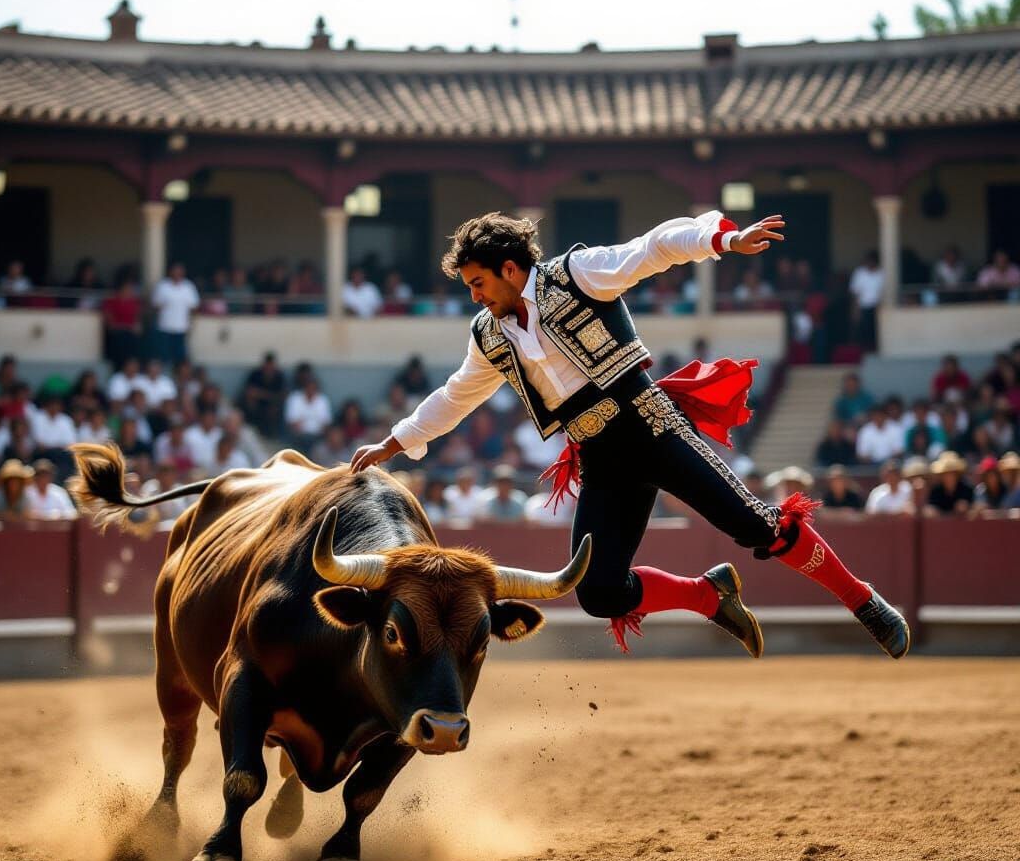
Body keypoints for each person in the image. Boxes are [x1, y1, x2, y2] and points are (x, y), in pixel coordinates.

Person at [350, 210, 909, 659]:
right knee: (596, 591)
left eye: (478, 283)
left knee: (758, 525)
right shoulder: (488, 335)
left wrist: (724, 238)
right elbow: (457, 394)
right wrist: (395, 443)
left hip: (652, 428)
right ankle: (708, 596)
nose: (474, 296)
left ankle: (864, 602)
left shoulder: (579, 274)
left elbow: (656, 246)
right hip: (600, 458)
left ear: (511, 269)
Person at [151, 262, 199, 364]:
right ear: (170, 272)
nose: (177, 274)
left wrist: (191, 324)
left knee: (180, 359)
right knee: (164, 357)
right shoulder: (163, 286)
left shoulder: (188, 287)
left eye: (179, 271)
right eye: (175, 271)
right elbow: (154, 306)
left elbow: (194, 307)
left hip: (181, 328)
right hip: (164, 328)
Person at [240, 352, 287, 438]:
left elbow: (282, 395)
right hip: (257, 404)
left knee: (274, 410)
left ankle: (271, 435)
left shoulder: (279, 376)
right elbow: (250, 392)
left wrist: (262, 394)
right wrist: (268, 395)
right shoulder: (255, 374)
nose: (269, 367)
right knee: (249, 404)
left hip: (272, 405)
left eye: (271, 365)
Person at [284, 378, 333, 453]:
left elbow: (326, 424)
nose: (311, 390)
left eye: (313, 388)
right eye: (309, 388)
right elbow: (292, 423)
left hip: (317, 437)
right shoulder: (295, 398)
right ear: (304, 388)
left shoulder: (322, 400)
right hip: (299, 436)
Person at [848, 250, 883, 350]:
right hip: (862, 307)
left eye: (871, 261)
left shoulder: (881, 273)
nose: (869, 263)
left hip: (877, 308)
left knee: (875, 332)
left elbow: (884, 292)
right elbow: (855, 293)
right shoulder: (860, 273)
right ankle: (863, 352)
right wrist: (855, 310)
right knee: (862, 332)